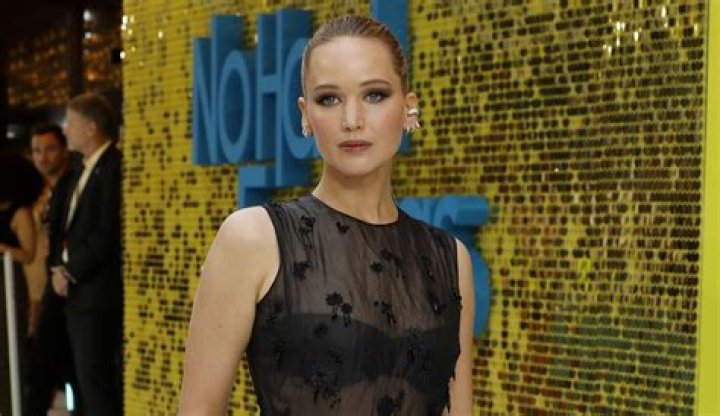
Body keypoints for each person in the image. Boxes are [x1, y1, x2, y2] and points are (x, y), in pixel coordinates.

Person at [179, 15, 475, 415]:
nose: (352, 120)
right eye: (329, 99)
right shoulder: (253, 238)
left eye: (374, 95)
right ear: (305, 114)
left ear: (408, 108)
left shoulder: (449, 257)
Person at [51, 92, 123, 416]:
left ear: (91, 128)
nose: (65, 129)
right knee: (84, 383)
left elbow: (107, 232)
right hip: (80, 296)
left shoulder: (111, 167)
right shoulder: (83, 169)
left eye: (71, 122)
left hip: (97, 296)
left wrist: (70, 271)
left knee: (97, 384)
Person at [25, 123, 83, 415]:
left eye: (49, 149)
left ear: (64, 151)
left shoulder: (72, 186)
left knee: (43, 369)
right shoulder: (45, 192)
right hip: (48, 287)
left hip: (65, 287)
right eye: (37, 150)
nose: (42, 157)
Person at [0, 154, 43, 415]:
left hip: (8, 284)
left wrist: (3, 249)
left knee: (8, 350)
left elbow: (29, 254)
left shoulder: (20, 213)